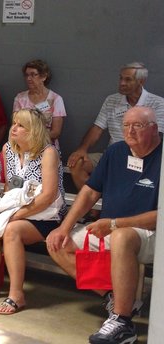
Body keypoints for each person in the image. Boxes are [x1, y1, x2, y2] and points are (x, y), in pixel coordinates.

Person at [48, 106, 159, 344]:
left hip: (152, 234)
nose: (129, 131)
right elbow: (89, 192)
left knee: (122, 237)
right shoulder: (116, 151)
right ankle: (117, 297)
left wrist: (116, 224)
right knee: (58, 243)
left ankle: (122, 322)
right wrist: (64, 227)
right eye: (126, 125)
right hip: (113, 228)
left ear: (155, 128)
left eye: (137, 126)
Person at [0, 109, 65, 315]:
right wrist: (6, 211)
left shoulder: (48, 152)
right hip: (18, 207)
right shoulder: (8, 149)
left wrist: (15, 216)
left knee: (11, 230)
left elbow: (49, 195)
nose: (13, 128)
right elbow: (11, 186)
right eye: (14, 123)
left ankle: (17, 294)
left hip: (46, 213)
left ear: (33, 130)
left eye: (20, 125)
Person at [67, 62, 164, 191]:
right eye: (121, 78)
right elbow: (97, 129)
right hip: (111, 155)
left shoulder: (157, 103)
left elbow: (156, 136)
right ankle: (94, 207)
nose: (122, 83)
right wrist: (82, 149)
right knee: (77, 164)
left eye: (128, 79)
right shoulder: (112, 100)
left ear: (141, 81)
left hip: (141, 158)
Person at [13, 59, 66, 149]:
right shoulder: (20, 98)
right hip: (23, 145)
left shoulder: (56, 99)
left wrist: (34, 139)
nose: (29, 78)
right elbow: (14, 125)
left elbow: (56, 132)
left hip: (46, 145)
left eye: (33, 75)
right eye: (27, 75)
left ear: (43, 77)